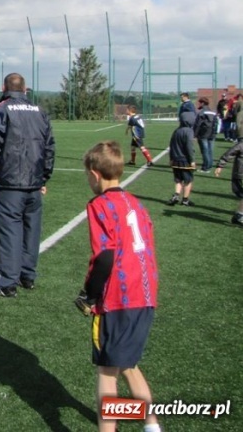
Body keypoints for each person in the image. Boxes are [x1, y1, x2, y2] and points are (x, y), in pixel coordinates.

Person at [77, 140, 160, 432]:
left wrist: (88, 295)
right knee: (127, 364)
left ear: (95, 174)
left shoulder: (99, 205)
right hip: (145, 294)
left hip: (118, 298)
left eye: (87, 175)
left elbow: (105, 256)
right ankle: (151, 425)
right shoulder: (136, 203)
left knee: (106, 370)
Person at [0, 73, 55, 297]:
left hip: (9, 183)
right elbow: (49, 148)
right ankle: (27, 276)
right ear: (25, 89)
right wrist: (44, 178)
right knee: (31, 231)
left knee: (8, 231)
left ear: (4, 87)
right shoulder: (40, 112)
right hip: (33, 183)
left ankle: (7, 282)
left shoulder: (1, 110)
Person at [167, 111, 196, 206]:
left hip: (175, 160)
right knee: (188, 180)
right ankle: (185, 200)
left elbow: (171, 145)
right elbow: (189, 147)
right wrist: (192, 160)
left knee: (178, 179)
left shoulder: (176, 131)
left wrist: (171, 158)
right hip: (185, 160)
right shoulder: (189, 131)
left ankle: (176, 195)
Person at [214, 137, 243, 227]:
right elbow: (229, 153)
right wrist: (220, 165)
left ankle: (238, 215)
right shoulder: (241, 145)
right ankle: (238, 215)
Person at [194, 96, 218, 172]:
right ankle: (209, 166)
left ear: (203, 103)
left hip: (203, 134)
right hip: (212, 134)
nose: (198, 104)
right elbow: (216, 124)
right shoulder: (213, 112)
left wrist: (194, 134)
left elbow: (198, 124)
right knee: (210, 151)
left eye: (199, 103)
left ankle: (205, 167)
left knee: (204, 151)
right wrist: (214, 133)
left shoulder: (201, 113)